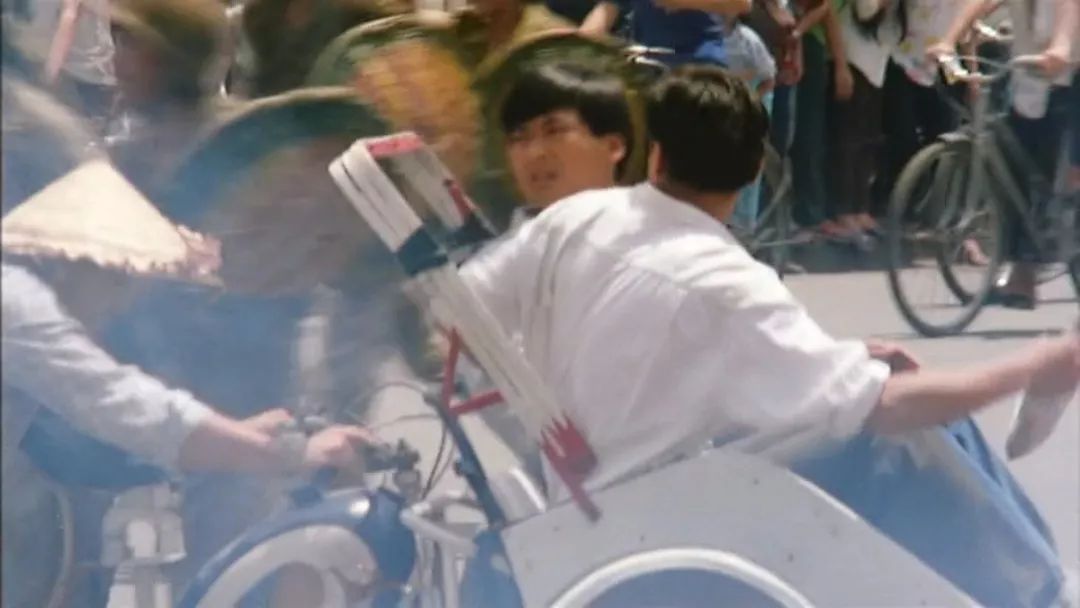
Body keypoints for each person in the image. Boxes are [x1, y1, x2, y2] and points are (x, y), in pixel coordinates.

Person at [460, 66, 1078, 605]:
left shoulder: (574, 217)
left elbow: (463, 309)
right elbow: (883, 408)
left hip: (599, 489)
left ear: (655, 156)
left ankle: (1038, 578)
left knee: (904, 399)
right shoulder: (728, 285)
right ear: (756, 169)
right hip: (661, 506)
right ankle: (1037, 590)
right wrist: (1030, 367)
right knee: (909, 435)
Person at [930, 0, 1077, 308]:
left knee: (1063, 176)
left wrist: (1062, 43)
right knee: (1015, 170)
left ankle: (1040, 258)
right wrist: (948, 40)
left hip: (1070, 73)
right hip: (1029, 76)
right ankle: (1023, 274)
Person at [579, 0, 750, 66]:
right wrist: (577, 40)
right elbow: (608, 8)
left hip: (699, 65)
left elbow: (742, 4)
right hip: (647, 64)